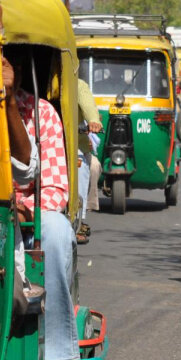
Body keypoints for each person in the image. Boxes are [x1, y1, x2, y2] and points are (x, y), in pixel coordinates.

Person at [7, 50, 80, 360]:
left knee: (57, 232)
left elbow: (53, 189)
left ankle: (57, 352)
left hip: (28, 207)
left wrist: (22, 210)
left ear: (18, 72)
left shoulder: (42, 113)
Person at [75, 78, 103, 244]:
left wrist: (94, 121)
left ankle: (79, 219)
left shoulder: (78, 85)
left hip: (75, 144)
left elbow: (89, 107)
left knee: (89, 166)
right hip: (46, 140)